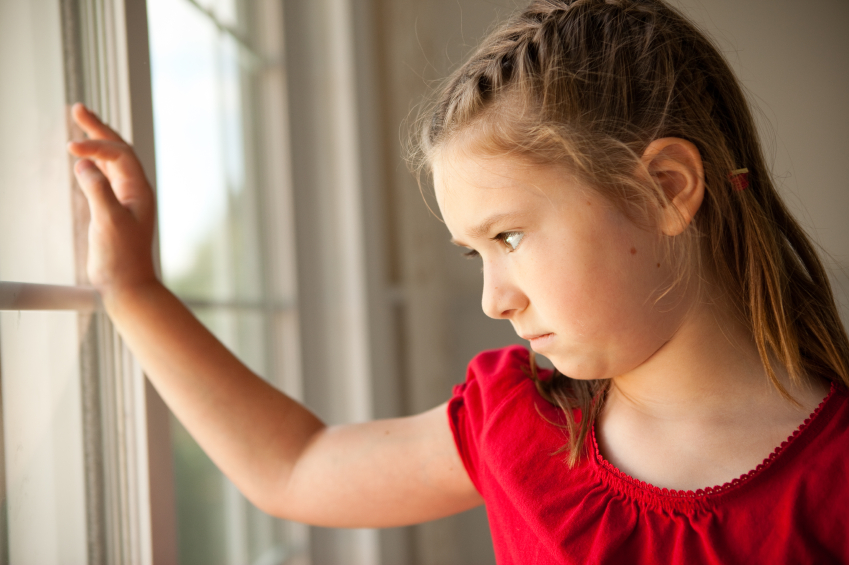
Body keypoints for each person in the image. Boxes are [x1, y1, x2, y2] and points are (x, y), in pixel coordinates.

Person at [68, 0, 848, 562]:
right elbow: (294, 466)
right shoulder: (514, 420)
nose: (493, 297)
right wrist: (134, 291)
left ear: (667, 188)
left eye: (508, 234)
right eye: (476, 253)